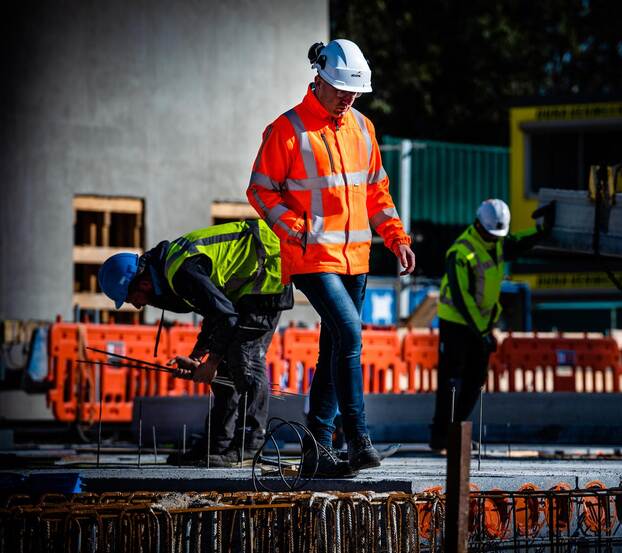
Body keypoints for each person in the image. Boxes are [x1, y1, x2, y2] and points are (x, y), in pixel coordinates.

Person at [246, 39, 415, 477]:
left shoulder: (363, 128)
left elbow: (376, 192)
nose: (348, 98)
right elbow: (260, 190)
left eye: (354, 92)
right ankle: (358, 439)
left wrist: (396, 238)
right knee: (350, 334)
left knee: (335, 347)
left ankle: (317, 447)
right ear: (318, 80)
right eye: (341, 89)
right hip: (312, 258)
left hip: (356, 259)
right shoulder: (287, 130)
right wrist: (294, 229)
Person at [98, 219, 293, 466]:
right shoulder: (171, 272)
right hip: (248, 281)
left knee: (246, 358)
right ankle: (217, 444)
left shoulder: (181, 273)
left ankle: (249, 445)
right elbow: (215, 312)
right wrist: (198, 357)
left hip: (267, 271)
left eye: (131, 298)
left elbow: (225, 316)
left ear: (144, 283)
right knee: (228, 368)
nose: (136, 305)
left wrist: (210, 363)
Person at [429, 199, 546, 453]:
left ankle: (457, 433)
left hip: (481, 324)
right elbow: (462, 298)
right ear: (479, 225)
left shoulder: (497, 244)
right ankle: (440, 437)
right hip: (456, 322)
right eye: (491, 234)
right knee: (451, 380)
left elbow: (517, 243)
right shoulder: (461, 252)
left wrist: (542, 231)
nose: (495, 239)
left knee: (475, 378)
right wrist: (482, 332)